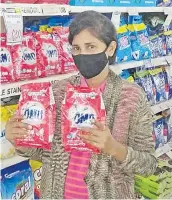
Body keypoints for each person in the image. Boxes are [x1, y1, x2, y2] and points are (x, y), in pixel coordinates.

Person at [5, 11, 157, 199]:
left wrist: (114, 148)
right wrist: (18, 139)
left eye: (91, 46)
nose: (82, 54)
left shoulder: (131, 97)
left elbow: (149, 165)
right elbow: (43, 154)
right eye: (76, 48)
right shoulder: (59, 91)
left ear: (110, 49)